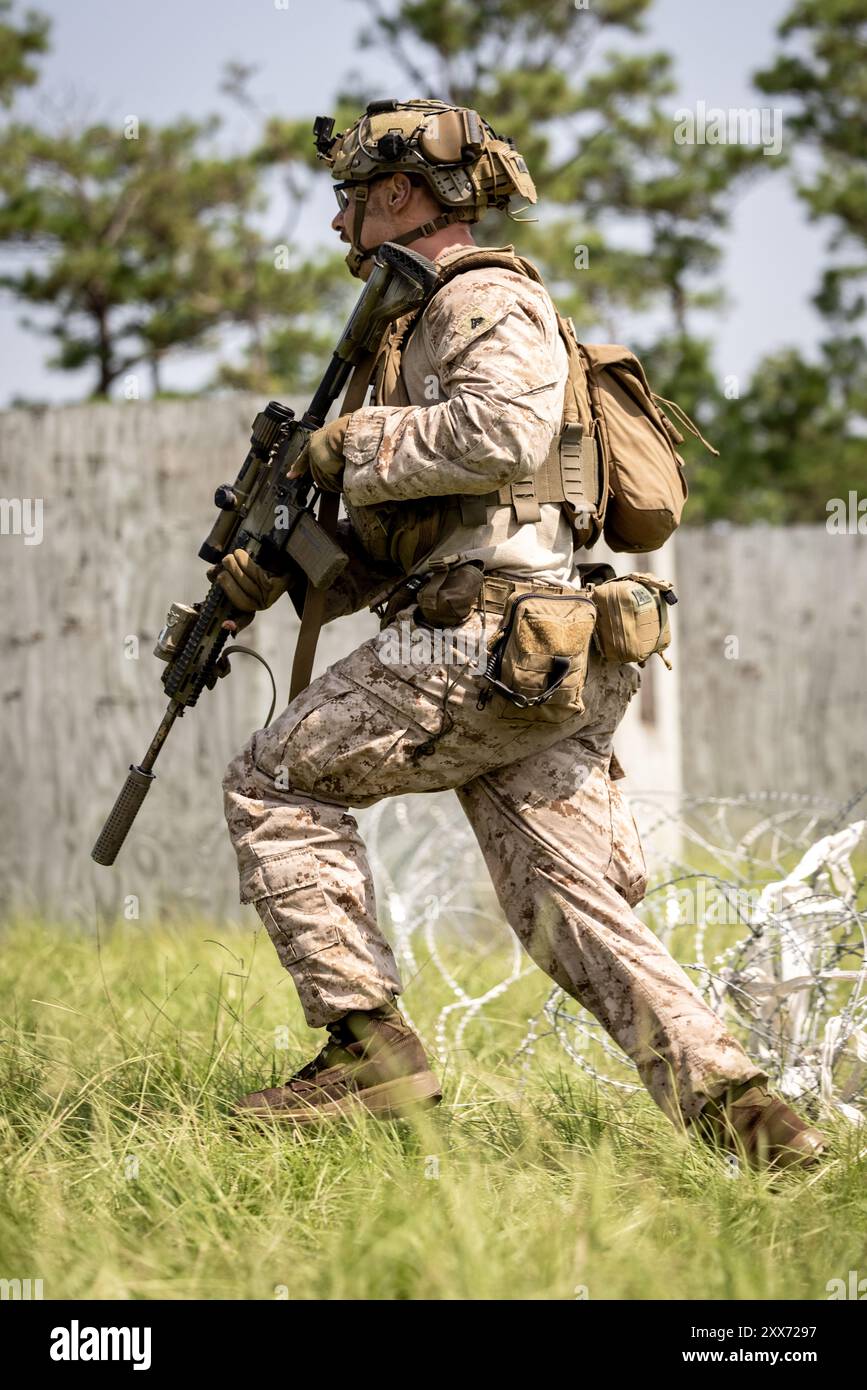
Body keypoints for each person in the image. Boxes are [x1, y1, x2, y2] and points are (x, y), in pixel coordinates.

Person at [215, 99, 825, 1173]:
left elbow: (500, 432)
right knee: (564, 909)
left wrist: (346, 443)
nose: (339, 220)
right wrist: (278, 570)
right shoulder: (420, 320)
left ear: (403, 193)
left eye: (353, 195)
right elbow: (433, 526)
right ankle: (760, 1131)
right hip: (529, 644)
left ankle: (366, 1046)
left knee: (272, 783)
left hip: (487, 642)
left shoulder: (482, 296)